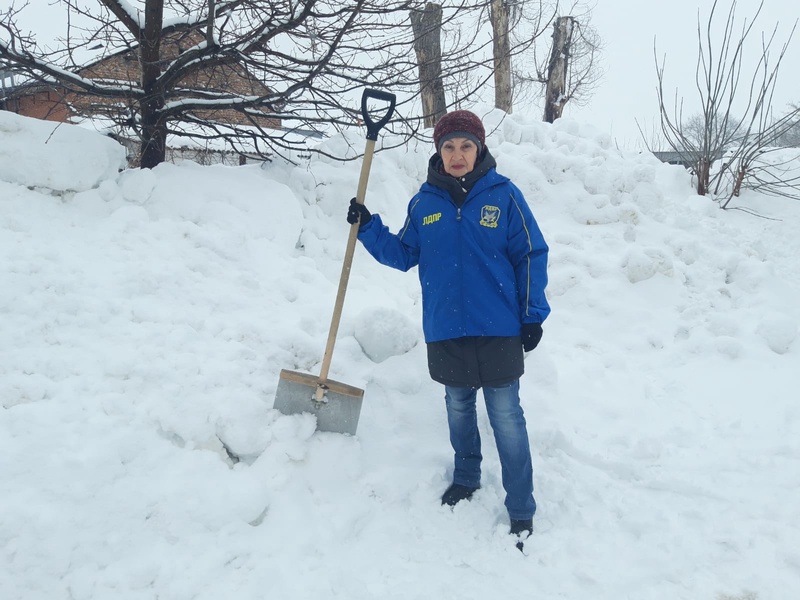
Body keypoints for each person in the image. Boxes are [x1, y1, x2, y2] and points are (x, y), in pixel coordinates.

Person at [346, 109, 550, 545]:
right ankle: (466, 476)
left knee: (506, 417)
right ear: (438, 152)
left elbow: (531, 252)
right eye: (449, 146)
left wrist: (532, 314)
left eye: (466, 146)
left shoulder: (504, 196)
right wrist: (368, 228)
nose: (458, 155)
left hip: (498, 327)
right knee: (458, 409)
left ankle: (521, 506)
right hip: (445, 328)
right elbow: (404, 254)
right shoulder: (424, 203)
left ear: (480, 150)